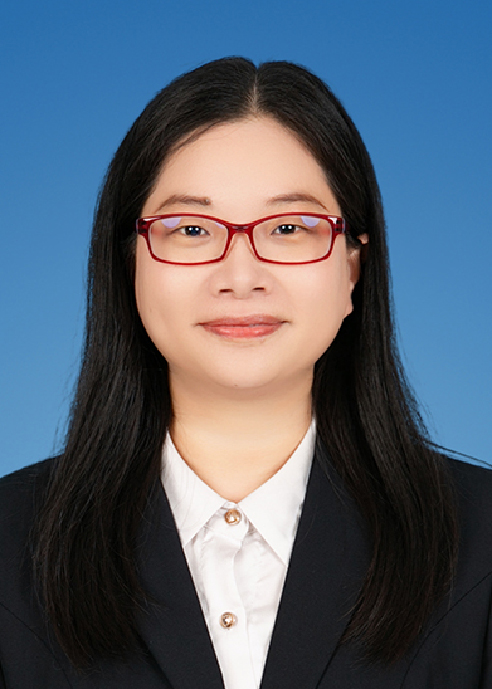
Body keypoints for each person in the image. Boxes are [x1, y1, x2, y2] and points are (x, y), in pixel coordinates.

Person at [0, 57, 490, 689]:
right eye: (190, 229)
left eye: (288, 227)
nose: (240, 276)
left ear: (352, 268)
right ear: (129, 267)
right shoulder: (9, 547)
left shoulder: (479, 542)